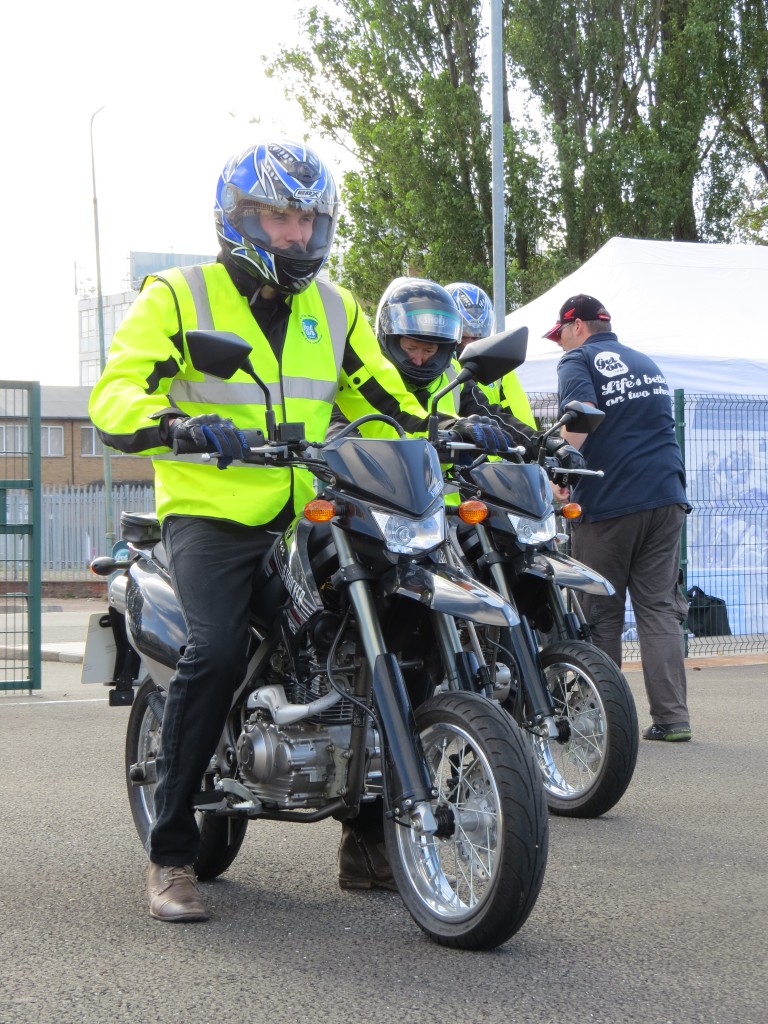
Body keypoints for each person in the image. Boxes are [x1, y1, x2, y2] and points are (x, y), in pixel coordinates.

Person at [88, 140, 515, 922]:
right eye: (278, 217)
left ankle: (367, 839)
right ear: (239, 218)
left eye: (306, 220)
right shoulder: (179, 297)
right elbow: (115, 393)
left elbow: (386, 393)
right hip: (214, 512)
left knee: (395, 620)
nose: (294, 235)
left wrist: (458, 427)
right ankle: (174, 853)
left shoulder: (337, 306)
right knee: (213, 650)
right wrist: (177, 423)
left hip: (312, 510)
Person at [544, 293, 692, 742]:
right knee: (659, 610)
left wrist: (557, 474)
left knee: (600, 612)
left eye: (560, 336)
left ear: (577, 326)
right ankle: (673, 719)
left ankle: (601, 721)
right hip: (667, 496)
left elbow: (583, 415)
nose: (560, 345)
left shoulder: (577, 359)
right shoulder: (645, 362)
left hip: (610, 503)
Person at [445, 282, 537, 429]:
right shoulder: (436, 366)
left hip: (492, 448)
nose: (471, 342)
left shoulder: (500, 368)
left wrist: (536, 444)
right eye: (466, 334)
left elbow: (522, 418)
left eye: (478, 336)